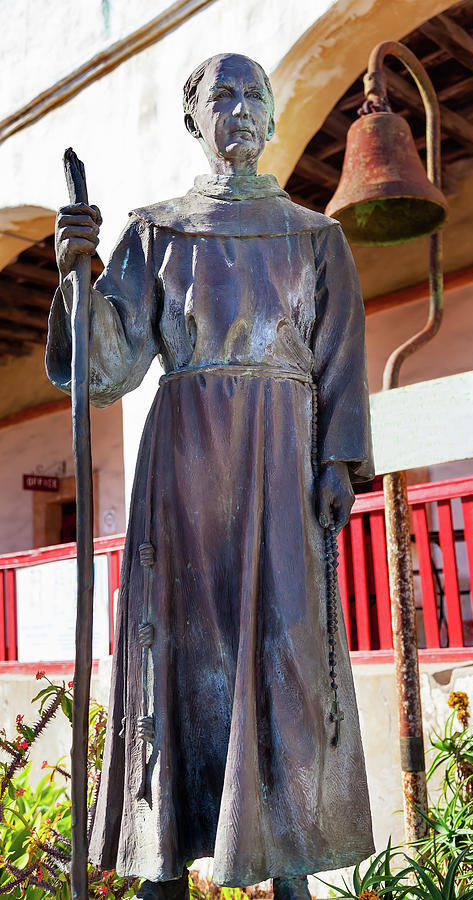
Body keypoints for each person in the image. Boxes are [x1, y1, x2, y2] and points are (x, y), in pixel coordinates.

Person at [47, 52, 374, 900]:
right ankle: (164, 855)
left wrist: (337, 460)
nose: (237, 108)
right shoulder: (158, 232)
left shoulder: (316, 236)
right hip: (185, 464)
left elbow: (339, 357)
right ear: (195, 122)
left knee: (284, 647)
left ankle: (286, 856)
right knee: (182, 643)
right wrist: (77, 274)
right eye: (217, 95)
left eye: (252, 94)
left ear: (269, 118)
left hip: (281, 460)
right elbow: (110, 364)